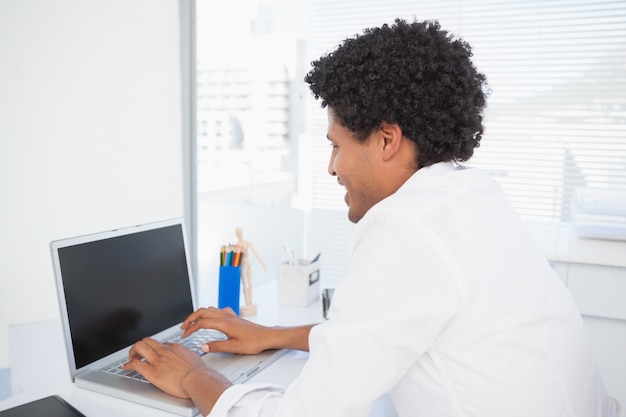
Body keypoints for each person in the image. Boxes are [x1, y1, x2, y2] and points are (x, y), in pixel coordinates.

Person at [123, 18, 619, 417]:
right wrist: (275, 335)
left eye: (337, 145)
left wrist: (193, 376)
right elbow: (390, 330)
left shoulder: (404, 226)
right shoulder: (470, 194)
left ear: (387, 140)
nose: (332, 166)